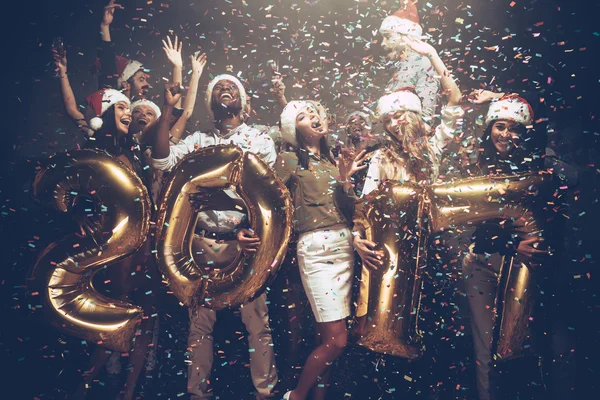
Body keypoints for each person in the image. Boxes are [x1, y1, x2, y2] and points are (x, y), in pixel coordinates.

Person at [150, 75, 278, 400]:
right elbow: (162, 160)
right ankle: (198, 395)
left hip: (245, 244)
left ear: (243, 101)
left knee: (257, 324)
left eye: (232, 86)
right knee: (199, 326)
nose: (226, 89)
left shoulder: (260, 141)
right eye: (219, 86)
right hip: (202, 244)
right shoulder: (197, 141)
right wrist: (168, 110)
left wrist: (244, 224)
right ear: (210, 102)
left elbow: (265, 196)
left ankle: (266, 394)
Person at [461, 93, 579, 400]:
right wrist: (511, 243)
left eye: (513, 128)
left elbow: (560, 208)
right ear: (489, 128)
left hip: (530, 266)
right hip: (484, 263)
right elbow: (474, 221)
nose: (504, 134)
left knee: (536, 344)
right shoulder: (477, 164)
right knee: (485, 347)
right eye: (499, 125)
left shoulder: (541, 163)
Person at [71, 89, 159, 400]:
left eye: (129, 106)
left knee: (146, 313)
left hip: (144, 244)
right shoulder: (96, 151)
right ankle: (83, 384)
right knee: (120, 310)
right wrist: (79, 213)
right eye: (121, 106)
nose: (129, 111)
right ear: (106, 114)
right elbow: (75, 187)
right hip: (117, 245)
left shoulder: (134, 152)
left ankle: (131, 391)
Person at [276, 100, 368, 400]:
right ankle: (296, 396)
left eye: (314, 112)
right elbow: (269, 197)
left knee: (327, 338)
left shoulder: (332, 160)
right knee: (337, 341)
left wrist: (344, 179)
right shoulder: (289, 159)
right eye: (303, 116)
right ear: (294, 130)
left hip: (345, 249)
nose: (313, 116)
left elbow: (350, 207)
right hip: (317, 249)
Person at [379, 2, 439, 121]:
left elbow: (426, 118)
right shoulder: (397, 68)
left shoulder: (423, 64)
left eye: (388, 36)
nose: (383, 43)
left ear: (406, 37)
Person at [97, 0, 149, 99]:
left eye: (145, 79)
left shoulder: (149, 111)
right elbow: (108, 60)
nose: (147, 84)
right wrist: (104, 26)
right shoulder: (112, 109)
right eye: (142, 79)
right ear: (126, 84)